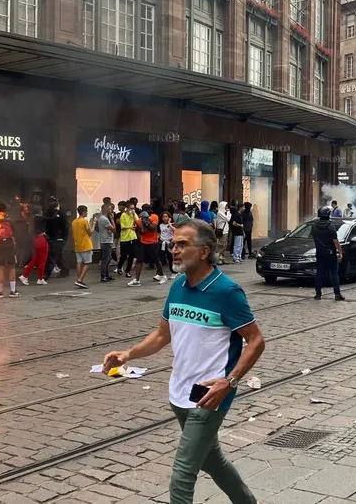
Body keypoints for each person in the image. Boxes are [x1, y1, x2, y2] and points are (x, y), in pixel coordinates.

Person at [102, 218, 265, 504]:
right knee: (211, 461)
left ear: (204, 251)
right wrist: (127, 354)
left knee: (182, 473)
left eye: (182, 244)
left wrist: (229, 382)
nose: (173, 250)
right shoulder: (178, 286)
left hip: (209, 394)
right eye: (173, 244)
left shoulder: (226, 291)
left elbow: (256, 340)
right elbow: (162, 334)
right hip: (179, 392)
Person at [312, 206, 344, 301]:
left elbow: (314, 237)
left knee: (319, 273)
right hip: (330, 253)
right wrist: (340, 252)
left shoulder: (314, 226)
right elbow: (335, 241)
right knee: (334, 273)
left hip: (319, 252)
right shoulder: (330, 227)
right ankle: (337, 294)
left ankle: (318, 294)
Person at [130, 205, 166, 287]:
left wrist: (147, 221)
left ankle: (162, 275)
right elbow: (142, 231)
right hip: (143, 243)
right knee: (139, 260)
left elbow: (153, 228)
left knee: (156, 260)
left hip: (153, 242)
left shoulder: (154, 217)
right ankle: (137, 279)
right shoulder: (139, 220)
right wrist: (141, 224)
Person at [0, 202, 20, 297]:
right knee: (11, 267)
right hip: (9, 245)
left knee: (0, 268)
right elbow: (15, 233)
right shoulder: (9, 221)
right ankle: (13, 291)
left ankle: (0, 292)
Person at [44, 197, 69, 279]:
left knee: (52, 256)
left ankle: (46, 274)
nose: (51, 203)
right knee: (58, 256)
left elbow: (65, 225)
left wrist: (65, 237)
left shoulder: (60, 213)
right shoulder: (48, 212)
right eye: (50, 201)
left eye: (53, 202)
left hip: (58, 237)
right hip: (51, 237)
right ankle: (65, 271)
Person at [71, 205, 94, 291]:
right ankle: (80, 279)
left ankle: (79, 278)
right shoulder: (84, 221)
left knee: (79, 262)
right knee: (87, 263)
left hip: (78, 245)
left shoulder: (74, 222)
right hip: (86, 245)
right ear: (83, 212)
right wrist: (94, 223)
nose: (87, 213)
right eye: (86, 211)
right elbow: (90, 232)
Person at [92, 203, 116, 283]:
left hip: (106, 240)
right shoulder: (104, 219)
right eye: (109, 208)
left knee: (108, 258)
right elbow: (113, 229)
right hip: (106, 241)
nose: (111, 210)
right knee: (105, 259)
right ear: (105, 209)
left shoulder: (103, 218)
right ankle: (103, 276)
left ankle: (106, 274)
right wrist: (112, 219)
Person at [117, 202, 139, 277]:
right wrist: (130, 227)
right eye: (131, 208)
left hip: (132, 236)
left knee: (132, 255)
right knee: (124, 255)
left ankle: (128, 271)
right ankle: (119, 267)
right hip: (125, 238)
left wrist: (133, 214)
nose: (132, 209)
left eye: (133, 208)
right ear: (127, 208)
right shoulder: (123, 215)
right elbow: (122, 227)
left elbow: (138, 221)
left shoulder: (133, 214)